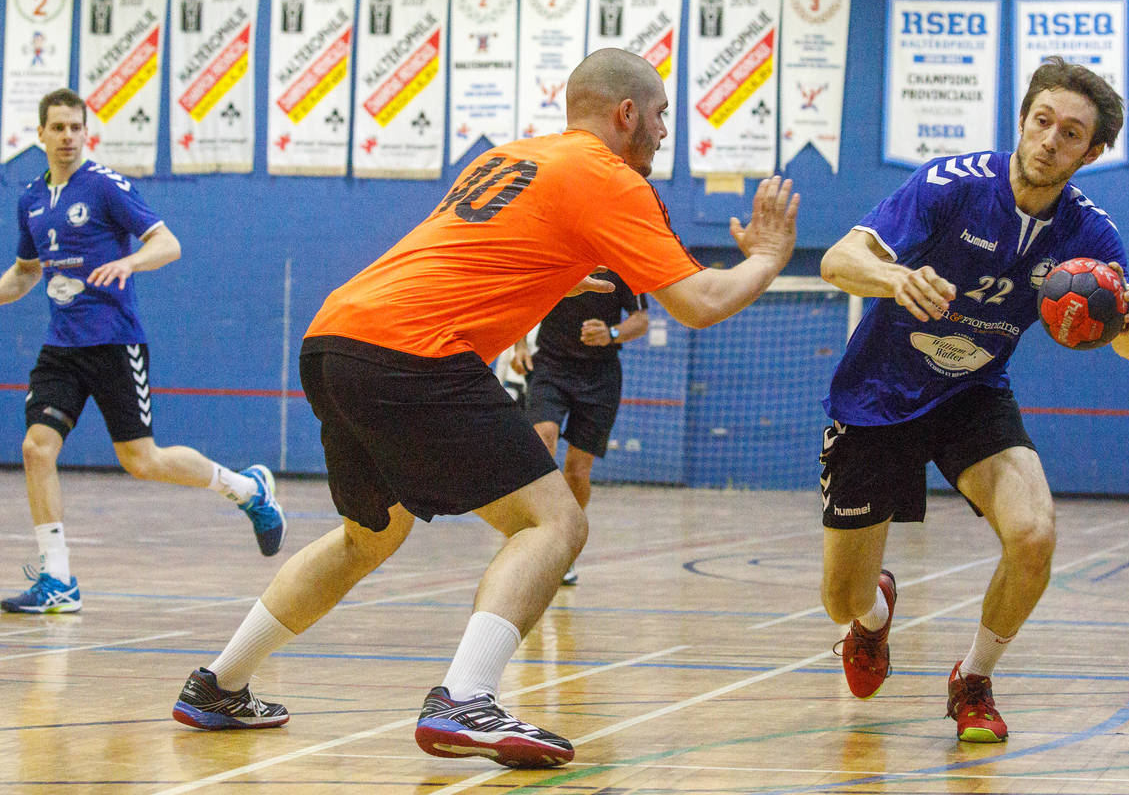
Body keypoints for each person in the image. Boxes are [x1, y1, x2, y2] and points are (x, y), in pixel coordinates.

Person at [169, 47, 799, 769]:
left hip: (337, 339)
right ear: (627, 114)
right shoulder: (608, 176)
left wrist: (553, 279)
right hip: (414, 351)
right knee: (555, 521)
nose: (663, 133)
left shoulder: (514, 158)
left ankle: (219, 684)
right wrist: (770, 256)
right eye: (659, 117)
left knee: (367, 537)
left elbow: (480, 253)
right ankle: (465, 698)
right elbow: (700, 302)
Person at [817, 56, 1129, 743]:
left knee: (1034, 535)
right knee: (839, 600)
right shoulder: (952, 185)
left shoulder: (1091, 237)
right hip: (879, 394)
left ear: (1091, 152)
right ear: (1024, 119)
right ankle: (874, 613)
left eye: (1070, 134)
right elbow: (837, 260)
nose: (1049, 140)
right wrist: (891, 279)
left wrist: (1128, 316)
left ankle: (973, 678)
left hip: (972, 393)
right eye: (1042, 121)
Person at [0, 89, 287, 615]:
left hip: (114, 342)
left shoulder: (106, 188)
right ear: (39, 134)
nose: (67, 137)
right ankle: (58, 579)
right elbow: (24, 273)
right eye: (57, 128)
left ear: (86, 132)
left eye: (75, 128)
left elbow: (167, 243)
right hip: (60, 347)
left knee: (141, 461)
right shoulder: (30, 201)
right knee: (36, 449)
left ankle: (246, 489)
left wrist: (130, 264)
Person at [509, 270, 649, 585]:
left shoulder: (623, 265)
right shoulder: (560, 256)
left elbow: (641, 320)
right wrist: (518, 346)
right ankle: (535, 533)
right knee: (542, 439)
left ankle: (565, 546)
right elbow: (522, 299)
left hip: (601, 377)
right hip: (551, 367)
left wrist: (612, 334)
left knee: (577, 471)